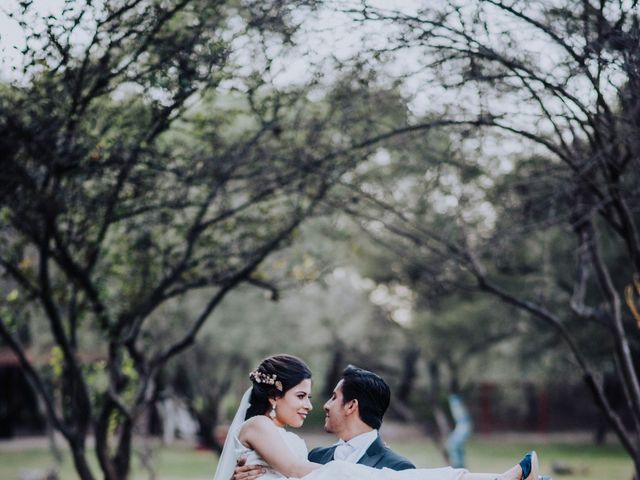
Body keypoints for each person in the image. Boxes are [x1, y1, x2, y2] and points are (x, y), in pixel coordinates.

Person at [215, 354, 539, 480]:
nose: (315, 406)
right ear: (274, 395)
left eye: (325, 397)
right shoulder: (261, 427)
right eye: (302, 396)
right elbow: (296, 470)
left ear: (352, 406)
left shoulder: (396, 464)